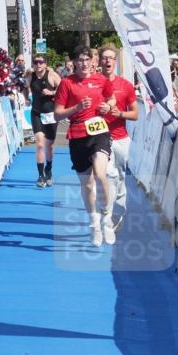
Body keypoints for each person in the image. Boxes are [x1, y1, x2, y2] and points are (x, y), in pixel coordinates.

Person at [54, 47, 117, 247]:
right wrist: (77, 108)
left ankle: (107, 217)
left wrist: (108, 106)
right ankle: (94, 223)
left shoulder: (102, 80)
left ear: (92, 61)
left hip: (99, 131)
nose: (83, 63)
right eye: (79, 60)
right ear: (74, 62)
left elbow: (111, 98)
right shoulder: (67, 83)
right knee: (87, 184)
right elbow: (57, 114)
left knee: (100, 174)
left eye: (86, 59)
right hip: (77, 135)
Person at [98, 44, 139, 227]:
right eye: (104, 57)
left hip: (121, 138)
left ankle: (118, 212)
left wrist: (119, 114)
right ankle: (106, 213)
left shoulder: (126, 86)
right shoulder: (93, 83)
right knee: (106, 175)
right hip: (100, 138)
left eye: (111, 58)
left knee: (120, 177)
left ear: (115, 62)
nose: (107, 61)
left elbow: (135, 114)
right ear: (99, 61)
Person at [27, 54, 61, 187]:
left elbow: (64, 89)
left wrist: (52, 93)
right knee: (40, 144)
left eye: (41, 62)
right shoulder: (30, 76)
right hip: (36, 113)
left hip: (51, 115)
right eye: (36, 62)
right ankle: (40, 176)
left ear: (45, 64)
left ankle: (49, 169)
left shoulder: (52, 75)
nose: (38, 64)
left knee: (49, 146)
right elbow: (25, 88)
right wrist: (26, 97)